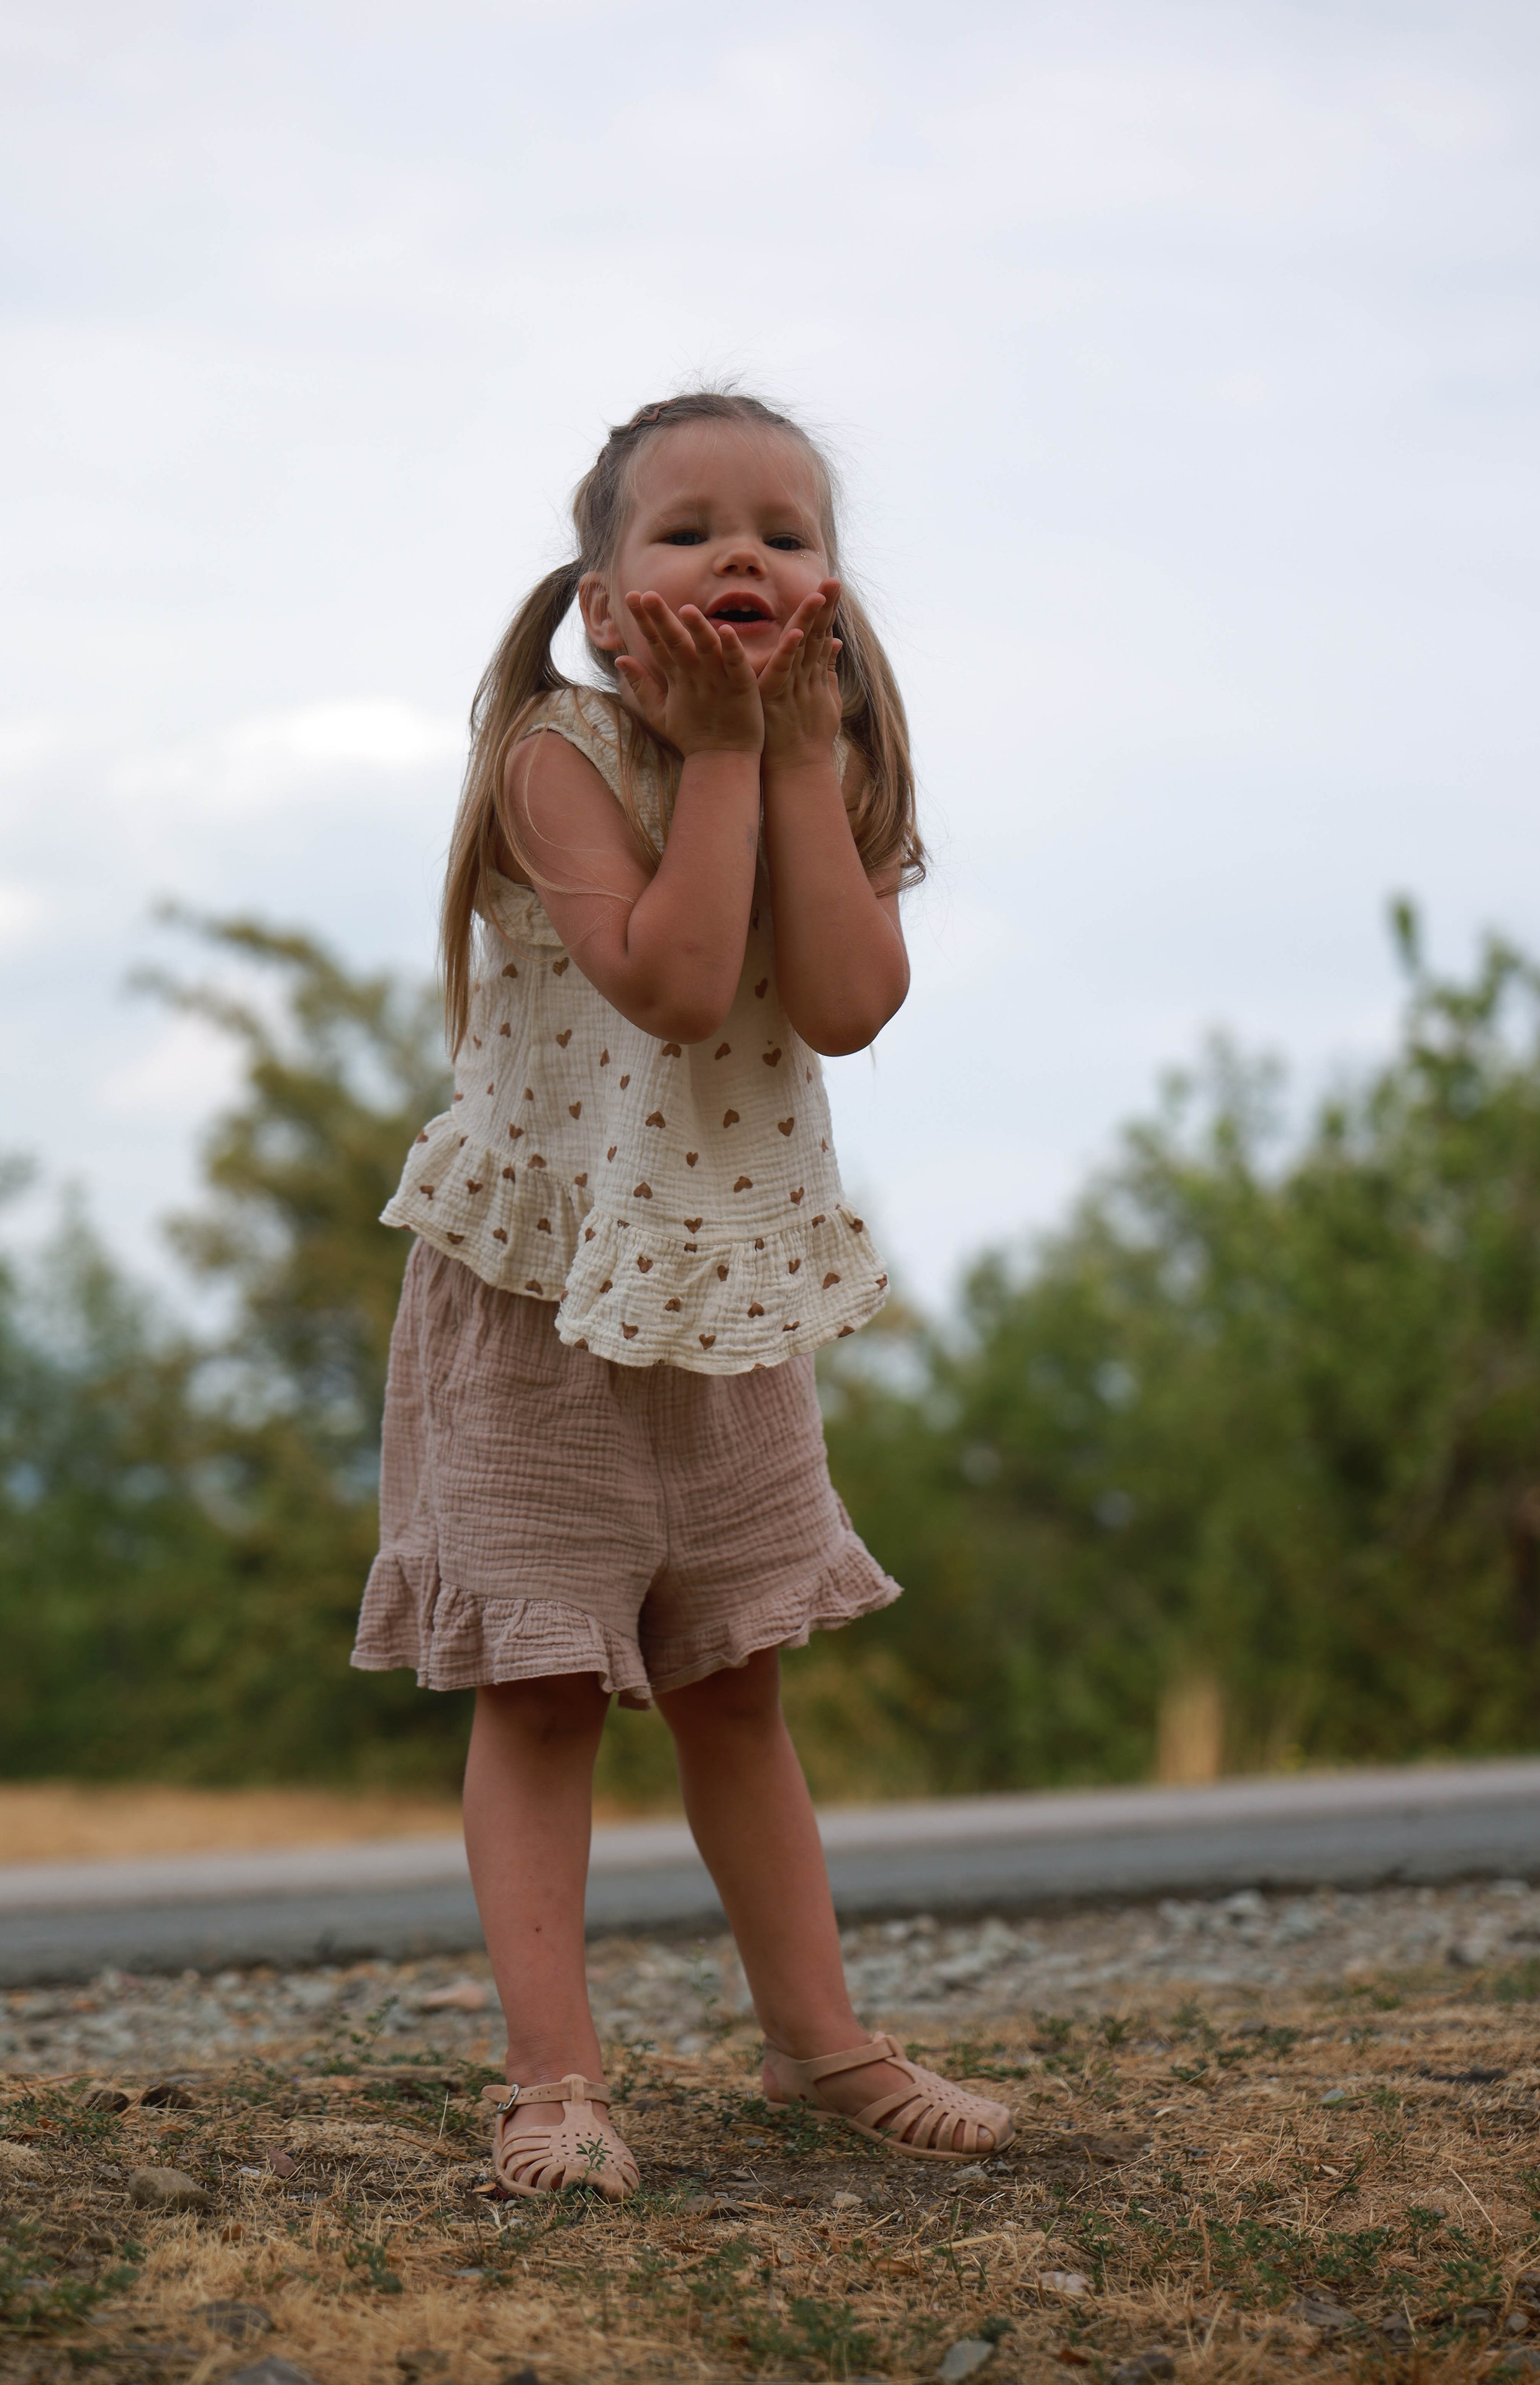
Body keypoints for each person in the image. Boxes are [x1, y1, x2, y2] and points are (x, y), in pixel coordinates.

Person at [353, 389, 1013, 2197]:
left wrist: (792, 758)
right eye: (693, 528)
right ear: (602, 594)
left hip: (719, 1305)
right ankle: (552, 2083)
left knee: (737, 1685)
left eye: (787, 535)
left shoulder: (835, 768)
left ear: (829, 590)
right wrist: (721, 756)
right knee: (547, 1692)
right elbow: (668, 975)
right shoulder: (552, 754)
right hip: (539, 1306)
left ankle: (825, 2047)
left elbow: (847, 1003)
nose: (745, 553)